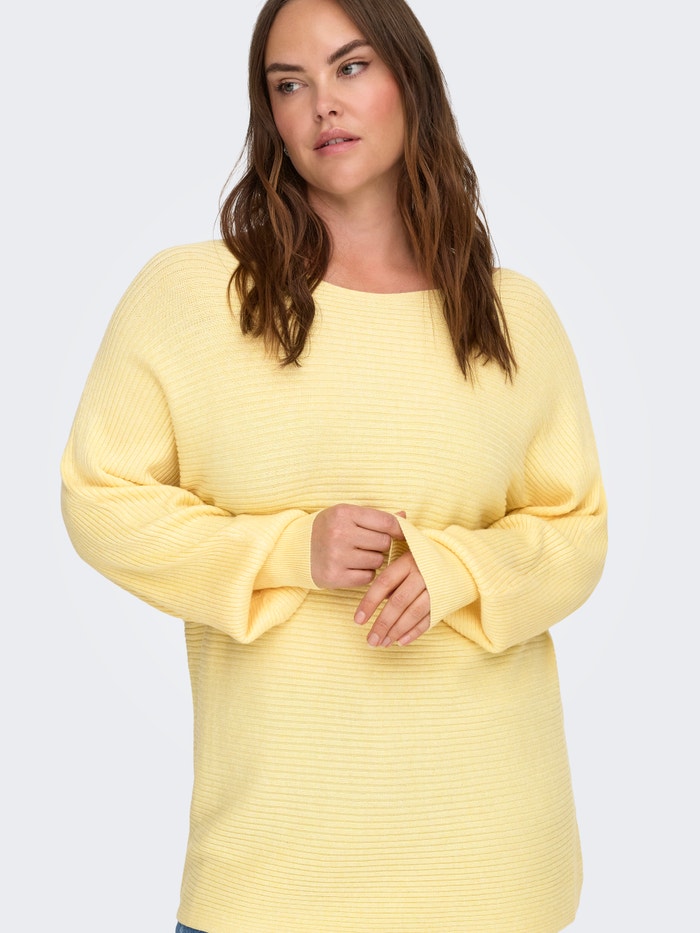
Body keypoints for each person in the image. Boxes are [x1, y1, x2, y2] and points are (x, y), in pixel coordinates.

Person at [61, 0, 607, 929]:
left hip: (494, 869)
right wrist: (289, 552)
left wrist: (460, 570)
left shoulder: (512, 314)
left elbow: (577, 530)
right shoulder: (192, 296)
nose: (322, 103)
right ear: (269, 114)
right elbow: (100, 499)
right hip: (273, 875)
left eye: (351, 67)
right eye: (289, 84)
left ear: (409, 79)